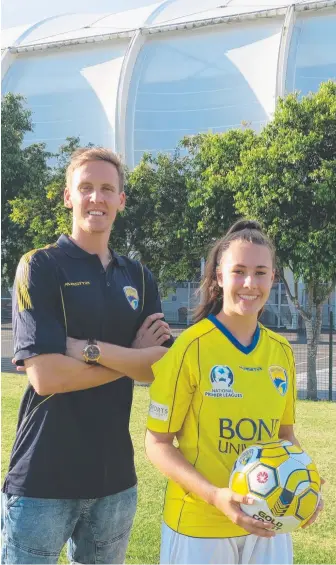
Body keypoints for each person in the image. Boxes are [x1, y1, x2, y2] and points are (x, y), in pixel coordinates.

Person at [2, 147, 173, 565]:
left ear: (121, 200)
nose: (96, 198)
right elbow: (46, 377)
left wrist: (93, 351)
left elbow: (160, 367)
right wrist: (130, 357)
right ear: (68, 197)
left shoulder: (138, 276)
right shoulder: (40, 267)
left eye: (106, 189)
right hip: (42, 478)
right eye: (86, 188)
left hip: (114, 481)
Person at [145, 219, 323, 565]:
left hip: (270, 522)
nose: (249, 283)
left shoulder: (281, 352)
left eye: (260, 272)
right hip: (200, 525)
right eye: (238, 271)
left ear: (273, 278)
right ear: (219, 277)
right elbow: (157, 443)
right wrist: (215, 496)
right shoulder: (190, 348)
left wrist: (306, 484)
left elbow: (284, 436)